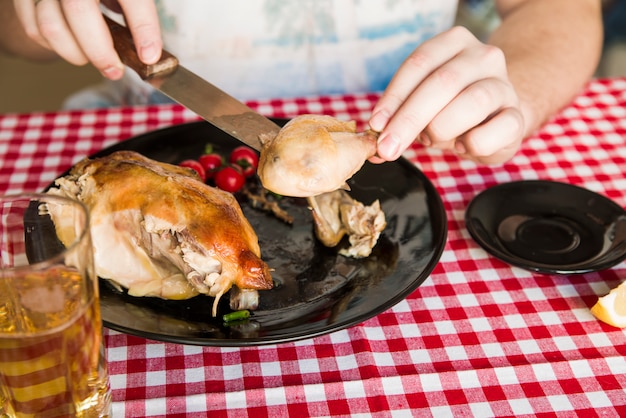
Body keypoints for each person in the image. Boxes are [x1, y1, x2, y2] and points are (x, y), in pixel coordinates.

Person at [0, 0, 603, 165]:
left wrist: (515, 94)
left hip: (409, 144)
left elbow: (562, 8)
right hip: (143, 130)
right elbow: (14, 32)